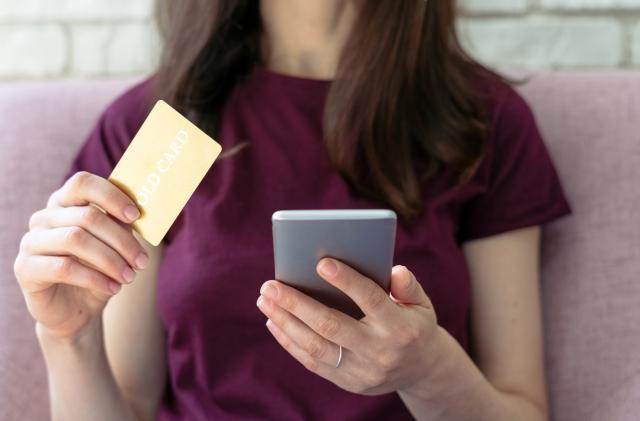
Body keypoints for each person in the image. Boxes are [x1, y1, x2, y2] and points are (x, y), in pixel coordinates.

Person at [13, 1, 572, 420]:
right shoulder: (157, 128)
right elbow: (128, 405)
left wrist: (427, 370)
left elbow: (522, 407)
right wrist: (68, 337)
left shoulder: (482, 122)